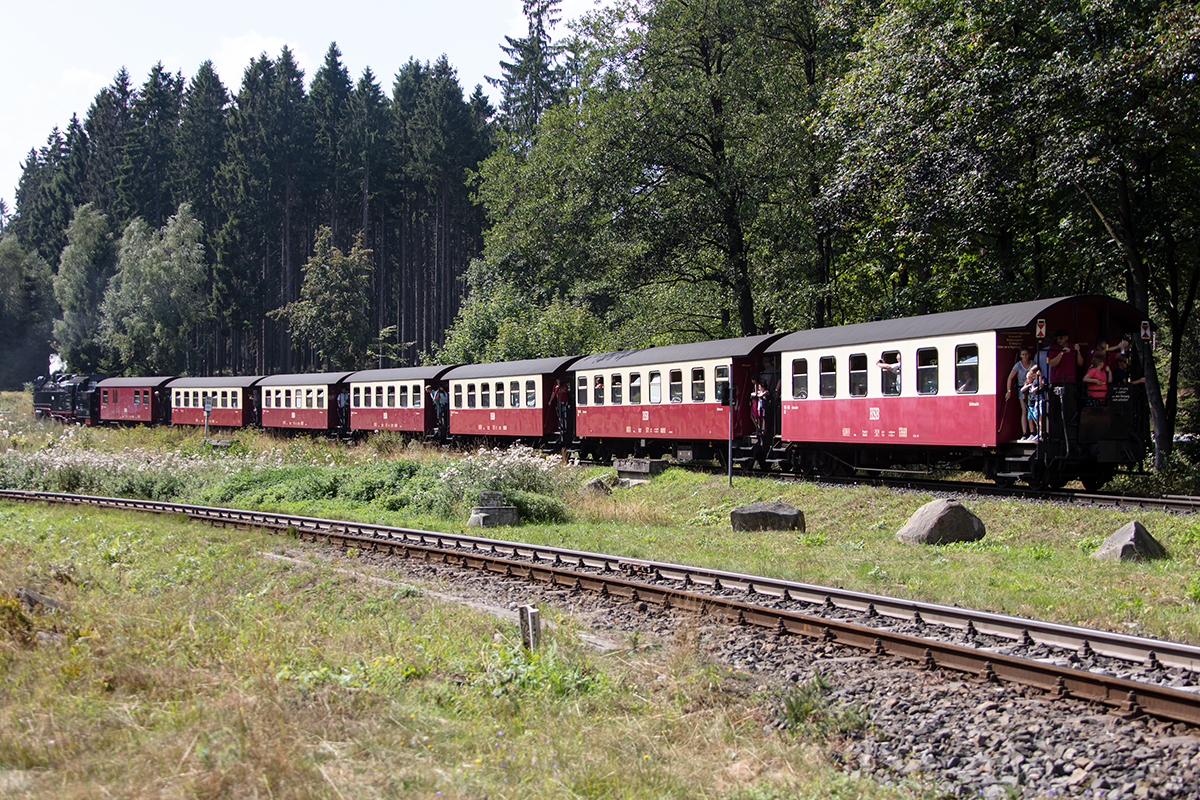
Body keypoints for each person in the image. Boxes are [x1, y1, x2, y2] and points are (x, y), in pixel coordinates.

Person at [1006, 347, 1035, 437]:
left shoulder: (1033, 363)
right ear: (1020, 356)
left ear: (1029, 355)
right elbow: (1010, 378)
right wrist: (1009, 391)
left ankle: (1033, 432)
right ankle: (1024, 433)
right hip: (1021, 389)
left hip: (1031, 389)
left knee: (1032, 410)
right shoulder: (1018, 365)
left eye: (1026, 354)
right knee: (1024, 410)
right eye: (1023, 354)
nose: (1025, 356)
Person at [1020, 365, 1044, 441]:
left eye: (1031, 376)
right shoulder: (1031, 383)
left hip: (1037, 400)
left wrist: (1039, 377)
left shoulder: (1039, 380)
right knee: (1031, 418)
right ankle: (1033, 433)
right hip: (1032, 402)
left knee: (1038, 418)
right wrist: (1028, 385)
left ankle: (1039, 433)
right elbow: (1022, 390)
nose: (1030, 378)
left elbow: (1040, 386)